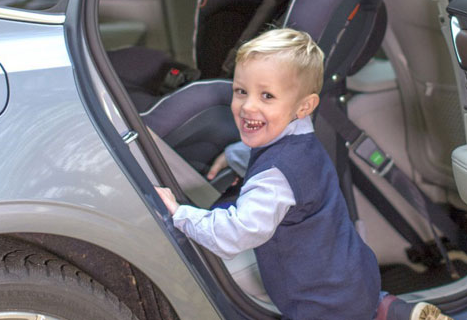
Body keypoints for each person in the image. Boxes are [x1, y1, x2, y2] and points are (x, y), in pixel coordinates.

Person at [156, 28, 452, 320]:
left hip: (319, 305)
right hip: (355, 278)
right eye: (240, 91)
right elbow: (271, 151)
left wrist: (180, 214)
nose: (248, 106)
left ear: (304, 105)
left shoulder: (274, 178)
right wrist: (234, 154)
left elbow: (236, 233)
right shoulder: (302, 141)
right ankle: (394, 312)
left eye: (267, 95)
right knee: (364, 308)